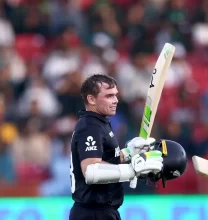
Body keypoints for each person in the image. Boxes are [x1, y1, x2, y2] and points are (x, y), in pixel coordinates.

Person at [69, 74, 187, 220]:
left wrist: (129, 152)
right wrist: (132, 169)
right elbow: (91, 170)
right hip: (92, 213)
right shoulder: (90, 126)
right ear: (91, 99)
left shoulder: (99, 123)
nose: (116, 100)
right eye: (109, 96)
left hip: (102, 211)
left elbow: (107, 160)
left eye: (116, 95)